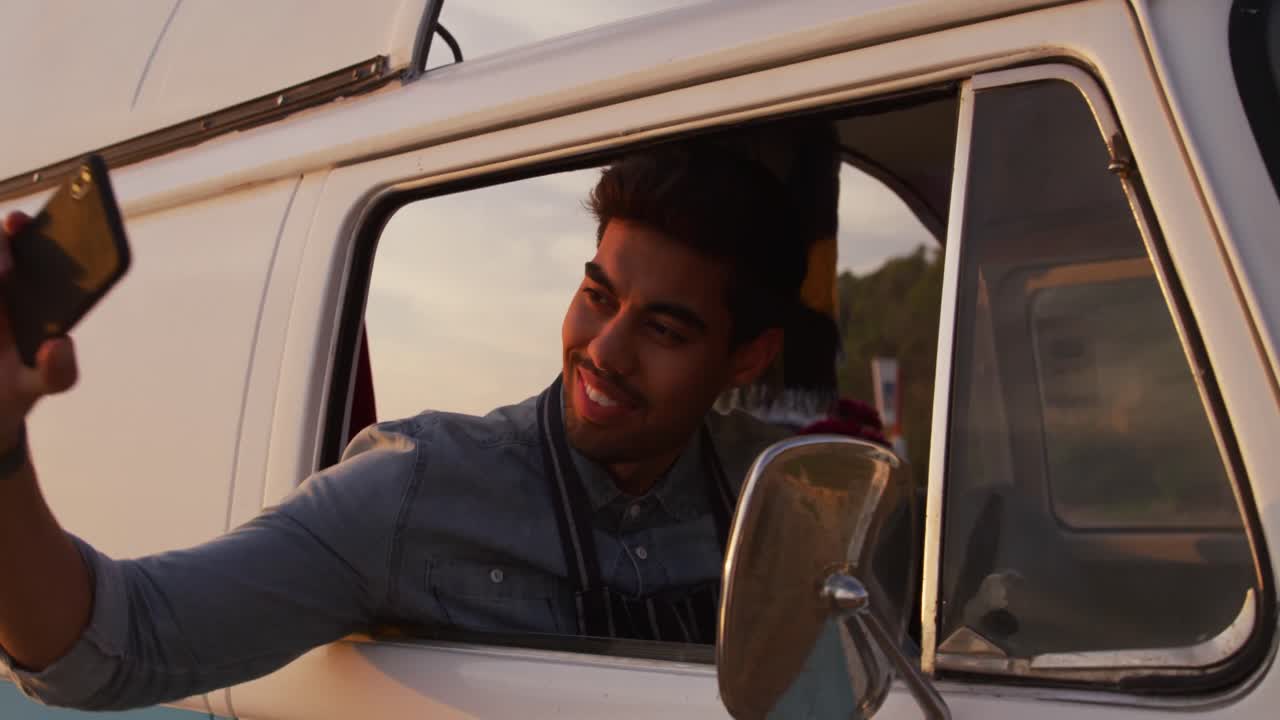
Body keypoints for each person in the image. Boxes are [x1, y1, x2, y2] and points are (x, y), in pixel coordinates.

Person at [0, 141, 807, 711]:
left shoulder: (788, 509)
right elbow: (104, 647)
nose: (604, 351)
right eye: (597, 295)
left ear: (747, 358)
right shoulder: (419, 483)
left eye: (664, 331)